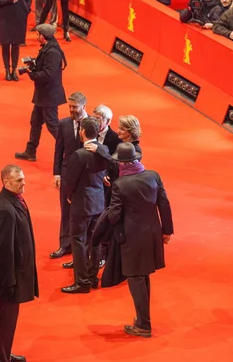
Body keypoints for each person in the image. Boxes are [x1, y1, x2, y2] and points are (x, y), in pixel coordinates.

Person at [106, 142, 173, 337]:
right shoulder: (153, 176)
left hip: (132, 238)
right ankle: (143, 319)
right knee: (144, 276)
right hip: (152, 234)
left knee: (135, 278)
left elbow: (114, 215)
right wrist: (166, 230)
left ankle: (143, 325)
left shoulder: (120, 184)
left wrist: (107, 216)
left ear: (122, 164)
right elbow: (164, 203)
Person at [0, 165, 38, 362]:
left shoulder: (14, 200)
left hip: (17, 273)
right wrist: (8, 280)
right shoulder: (5, 210)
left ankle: (3, 353)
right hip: (12, 277)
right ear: (6, 182)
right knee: (6, 319)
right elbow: (3, 250)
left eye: (23, 178)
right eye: (19, 180)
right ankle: (0, 357)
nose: (23, 183)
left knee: (10, 319)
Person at [61, 117, 109, 293]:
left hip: (82, 203)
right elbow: (111, 162)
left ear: (82, 132)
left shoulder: (80, 155)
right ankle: (92, 277)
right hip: (98, 203)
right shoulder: (103, 150)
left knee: (78, 240)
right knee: (94, 241)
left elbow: (70, 180)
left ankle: (81, 282)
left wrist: (69, 196)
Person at [14, 24, 67, 162]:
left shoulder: (52, 52)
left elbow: (48, 74)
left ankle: (69, 150)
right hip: (43, 94)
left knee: (53, 125)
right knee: (35, 122)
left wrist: (31, 73)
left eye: (38, 34)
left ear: (42, 36)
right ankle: (30, 151)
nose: (36, 36)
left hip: (49, 95)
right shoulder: (48, 47)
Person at [49, 91, 87, 259]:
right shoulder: (63, 123)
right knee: (65, 210)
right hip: (66, 172)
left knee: (82, 210)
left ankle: (81, 244)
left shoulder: (91, 123)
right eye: (70, 107)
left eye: (75, 107)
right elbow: (58, 150)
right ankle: (65, 245)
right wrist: (56, 173)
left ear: (83, 106)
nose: (71, 110)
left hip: (84, 174)